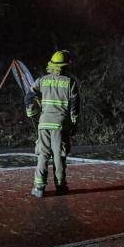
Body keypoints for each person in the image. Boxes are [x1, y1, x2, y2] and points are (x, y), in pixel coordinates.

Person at [26, 50, 80, 198]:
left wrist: (31, 112)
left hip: (43, 123)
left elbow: (29, 96)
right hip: (60, 126)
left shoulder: (42, 80)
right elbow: (75, 107)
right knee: (59, 156)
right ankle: (61, 186)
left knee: (43, 154)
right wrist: (74, 124)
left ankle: (38, 188)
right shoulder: (70, 82)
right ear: (65, 66)